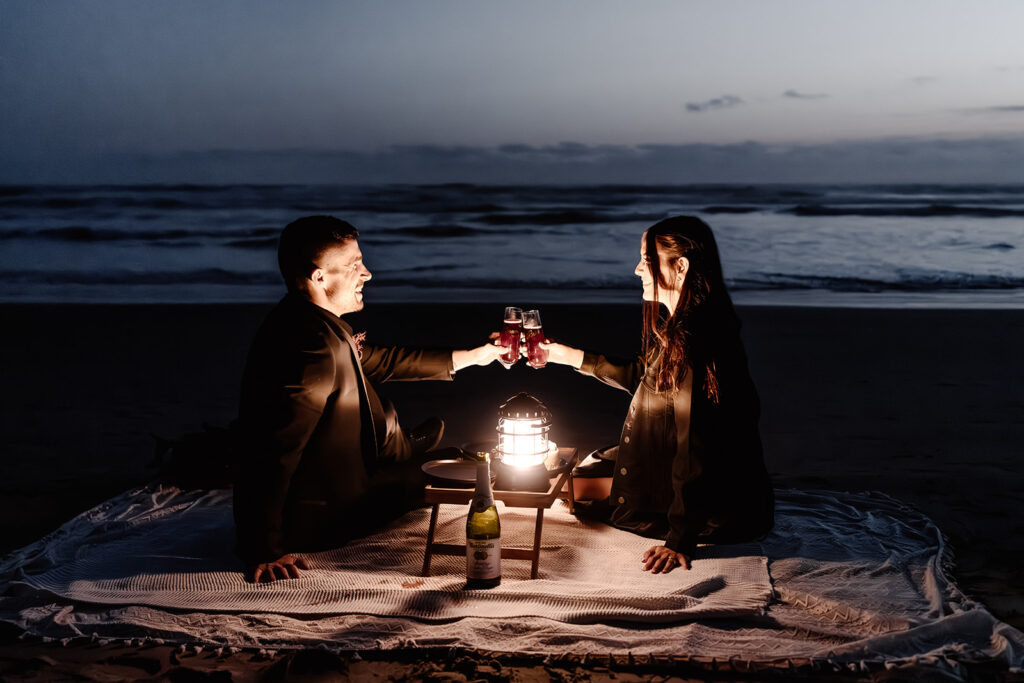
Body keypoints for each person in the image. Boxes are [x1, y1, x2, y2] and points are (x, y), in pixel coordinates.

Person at [233, 215, 505, 583]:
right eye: (354, 265)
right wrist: (265, 549)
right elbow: (273, 449)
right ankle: (401, 447)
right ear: (319, 277)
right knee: (467, 469)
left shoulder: (306, 320)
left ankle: (401, 444)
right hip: (331, 513)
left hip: (346, 471)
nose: (367, 274)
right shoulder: (310, 346)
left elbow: (380, 360)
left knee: (455, 461)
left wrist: (473, 356)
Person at [539, 216, 773, 574]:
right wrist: (565, 355)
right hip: (679, 467)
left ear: (680, 267)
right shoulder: (687, 323)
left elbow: (695, 444)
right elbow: (644, 376)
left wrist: (679, 539)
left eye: (646, 260)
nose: (637, 270)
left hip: (715, 509)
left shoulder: (696, 340)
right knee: (582, 476)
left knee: (580, 491)